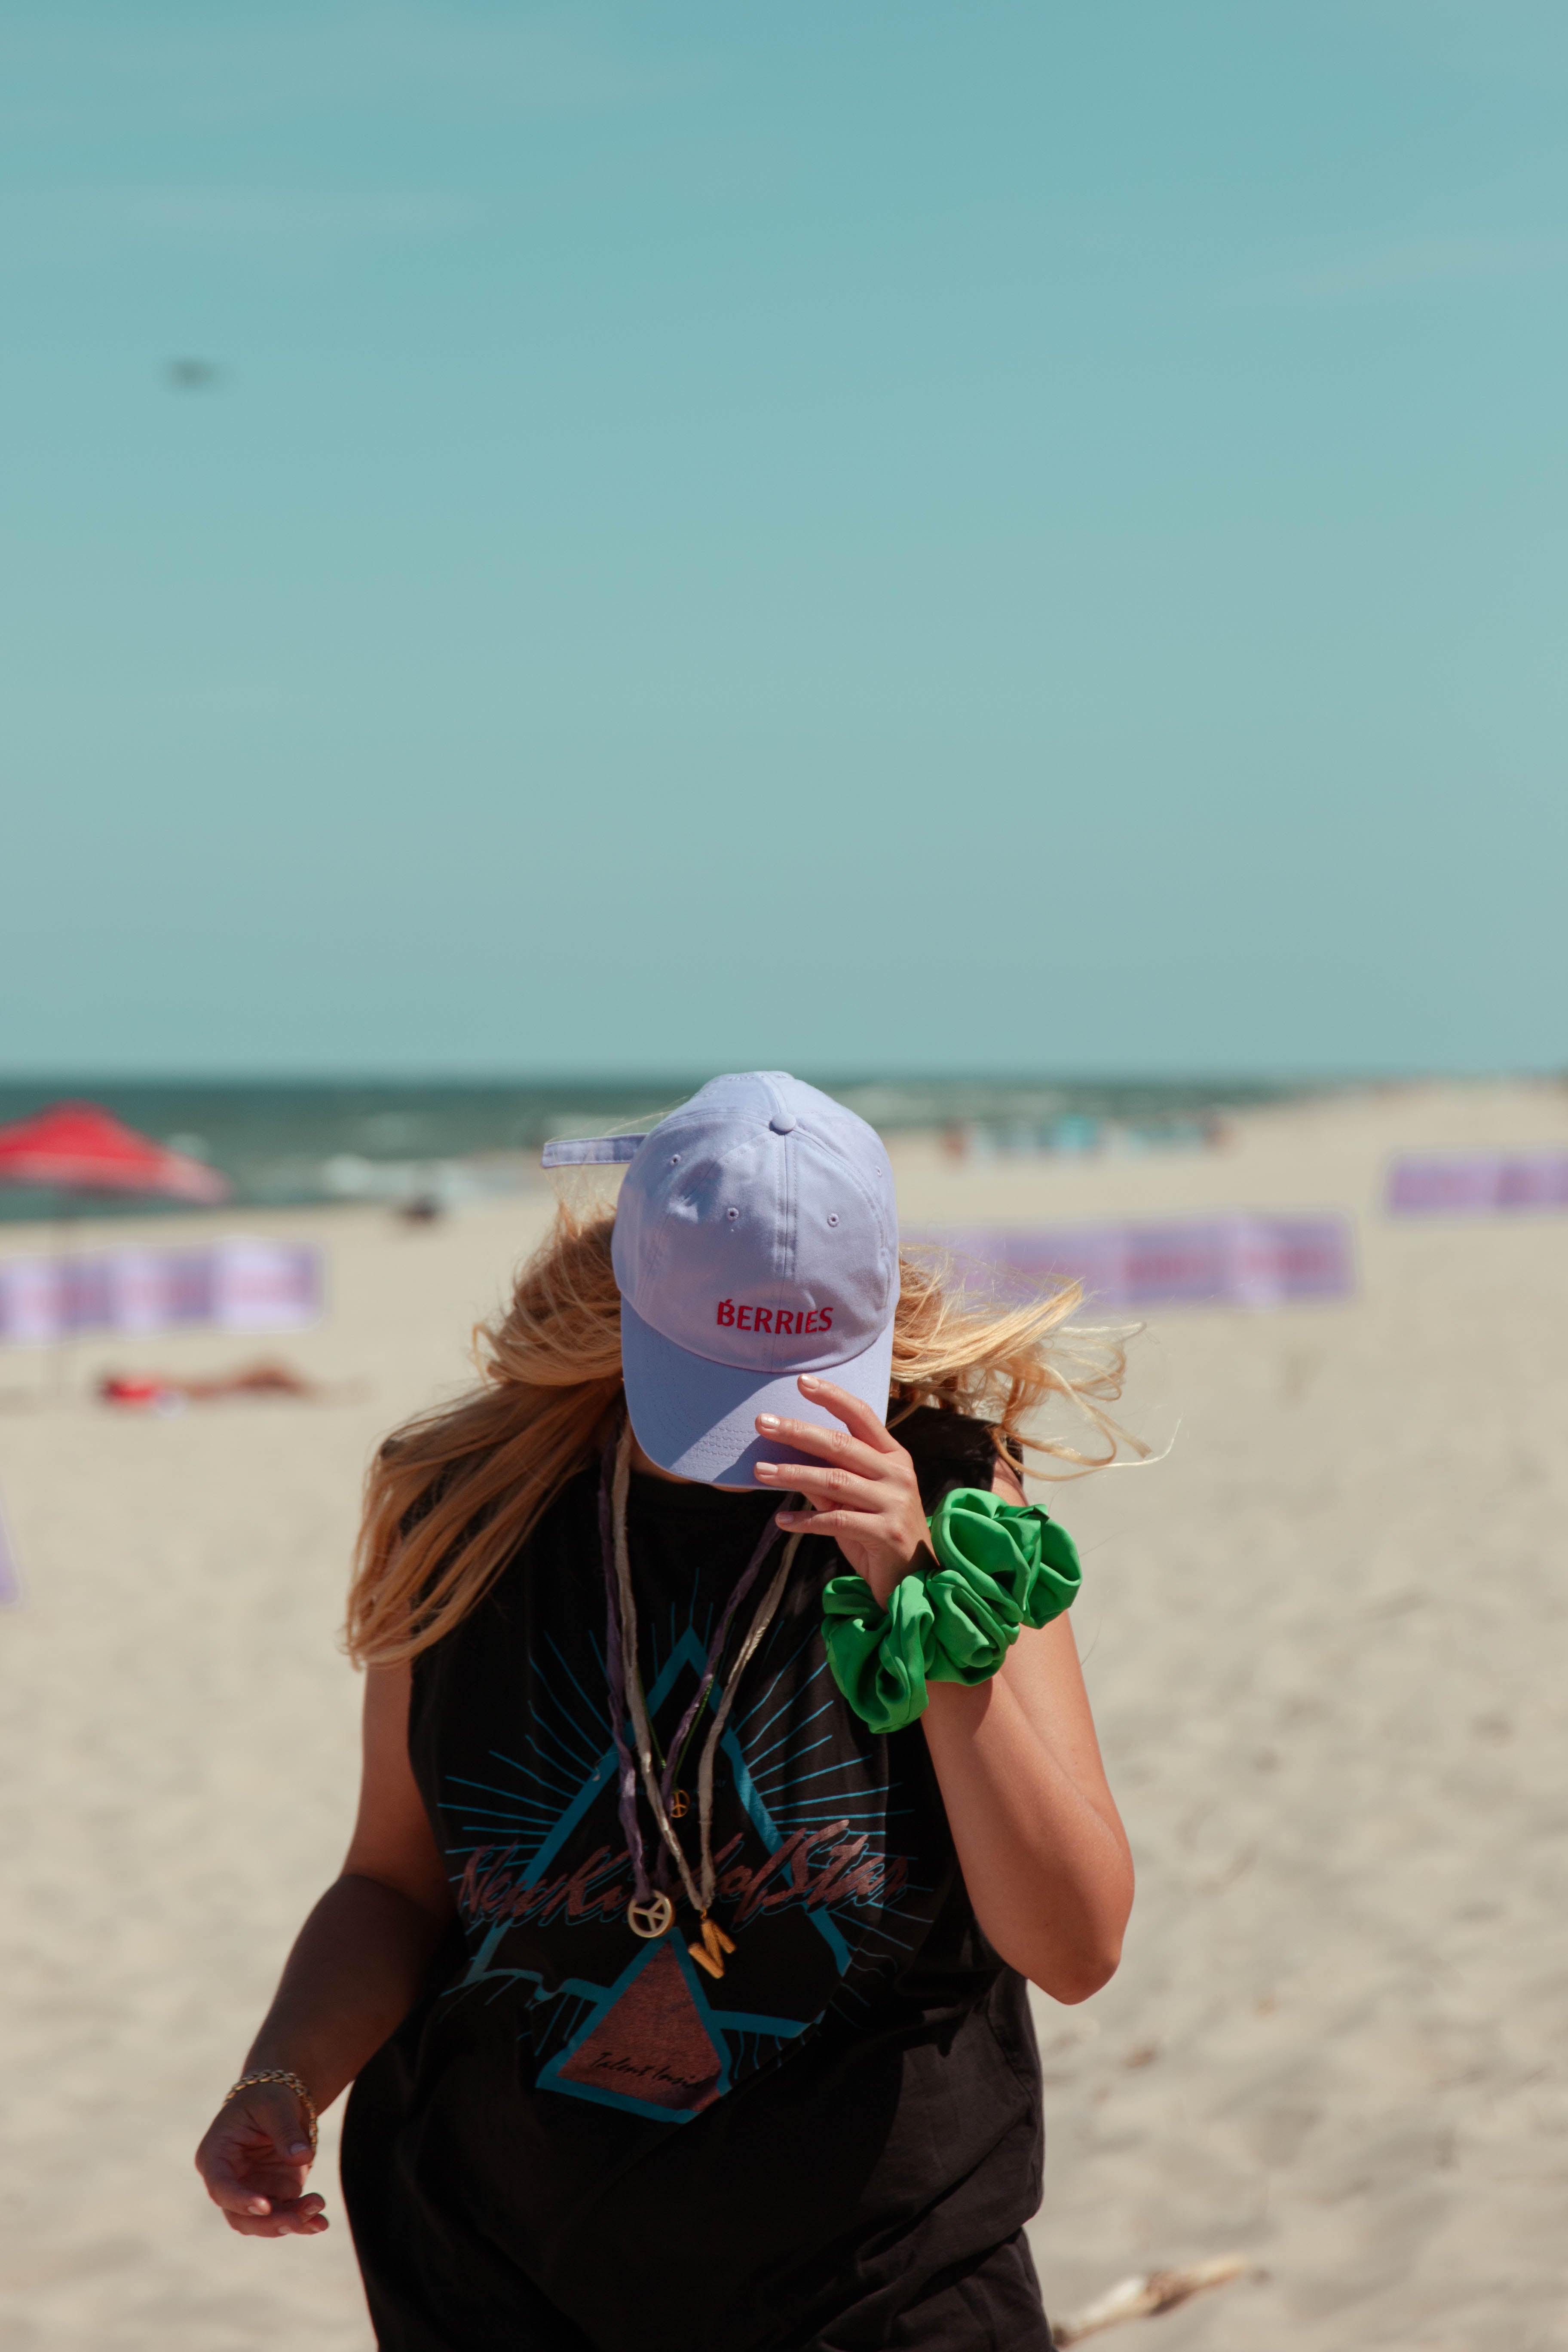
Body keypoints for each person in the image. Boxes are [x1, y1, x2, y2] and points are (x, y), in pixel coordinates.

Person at [194, 1073, 1137, 2351]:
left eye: (803, 1374)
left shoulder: (968, 1510)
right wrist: (284, 2078)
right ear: (628, 1301)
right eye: (715, 1375)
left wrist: (925, 1612)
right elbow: (396, 1886)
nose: (759, 1436)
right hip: (500, 2276)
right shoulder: (467, 1514)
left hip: (883, 2281)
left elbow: (1076, 1946)